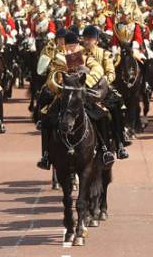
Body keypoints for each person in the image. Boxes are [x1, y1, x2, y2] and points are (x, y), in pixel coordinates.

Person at [38, 28, 105, 170]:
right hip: (64, 95)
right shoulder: (58, 59)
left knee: (102, 114)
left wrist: (86, 83)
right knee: (47, 118)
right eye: (69, 45)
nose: (71, 47)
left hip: (82, 94)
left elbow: (98, 69)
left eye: (74, 45)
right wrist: (59, 88)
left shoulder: (85, 56)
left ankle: (105, 149)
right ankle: (46, 155)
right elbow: (51, 79)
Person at [82, 24, 129, 160]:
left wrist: (101, 84)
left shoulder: (104, 54)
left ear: (96, 40)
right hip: (85, 89)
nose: (87, 41)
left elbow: (110, 74)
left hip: (102, 88)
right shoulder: (79, 55)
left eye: (90, 38)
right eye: (85, 38)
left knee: (116, 107)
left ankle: (120, 144)